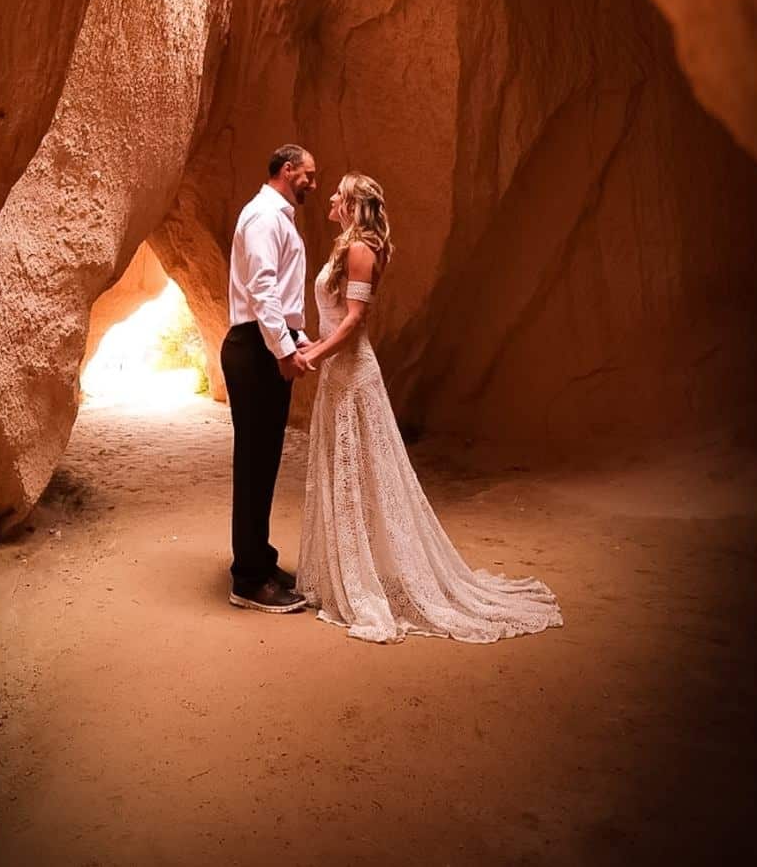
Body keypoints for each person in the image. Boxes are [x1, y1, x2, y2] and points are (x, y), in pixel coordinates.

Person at [297, 172, 564, 644]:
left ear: (354, 203)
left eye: (340, 192)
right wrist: (314, 345)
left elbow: (356, 322)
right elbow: (339, 316)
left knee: (362, 475)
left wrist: (315, 354)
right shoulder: (352, 246)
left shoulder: (360, 250)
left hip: (351, 375)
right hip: (338, 374)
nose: (332, 197)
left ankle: (363, 582)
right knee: (348, 473)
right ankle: (349, 571)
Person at [221, 143, 317, 613]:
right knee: (255, 463)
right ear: (286, 169)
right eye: (308, 175)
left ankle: (260, 559)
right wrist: (282, 348)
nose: (313, 185)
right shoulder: (264, 216)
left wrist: (294, 338)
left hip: (266, 345)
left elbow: (278, 292)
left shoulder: (277, 217)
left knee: (264, 463)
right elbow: (262, 289)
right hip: (256, 349)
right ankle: (248, 579)